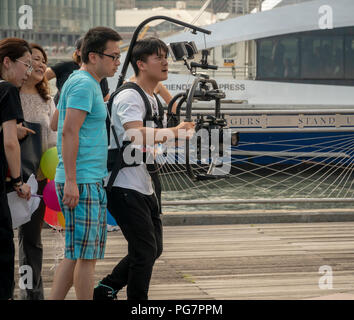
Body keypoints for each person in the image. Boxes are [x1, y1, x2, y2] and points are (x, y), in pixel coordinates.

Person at [93, 37, 195, 300]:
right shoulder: (129, 95)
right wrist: (173, 131)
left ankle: (106, 289)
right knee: (144, 249)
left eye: (166, 57)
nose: (165, 62)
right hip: (123, 183)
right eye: (158, 57)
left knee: (153, 248)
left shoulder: (150, 95)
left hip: (145, 179)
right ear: (141, 63)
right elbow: (134, 134)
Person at [49, 26, 122, 300]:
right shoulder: (84, 84)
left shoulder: (79, 81)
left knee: (75, 252)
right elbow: (68, 130)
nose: (117, 62)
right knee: (87, 256)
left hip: (79, 177)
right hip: (81, 179)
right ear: (93, 56)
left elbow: (56, 121)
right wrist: (71, 180)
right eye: (113, 56)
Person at [18, 43, 57, 300]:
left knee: (31, 241)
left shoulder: (47, 99)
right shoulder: (9, 94)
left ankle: (31, 294)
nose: (41, 64)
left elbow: (54, 138)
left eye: (44, 60)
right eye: (35, 59)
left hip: (39, 180)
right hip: (13, 176)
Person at [0, 37, 32, 300]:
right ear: (7, 62)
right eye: (26, 65)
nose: (28, 73)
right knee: (2, 248)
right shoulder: (7, 91)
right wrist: (18, 181)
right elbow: (10, 143)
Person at [46, 37, 111, 131]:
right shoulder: (65, 67)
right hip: (61, 115)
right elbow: (39, 77)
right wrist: (42, 96)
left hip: (85, 123)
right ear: (78, 52)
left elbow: (105, 101)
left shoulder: (99, 75)